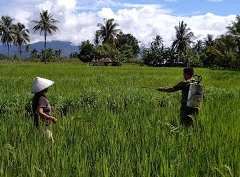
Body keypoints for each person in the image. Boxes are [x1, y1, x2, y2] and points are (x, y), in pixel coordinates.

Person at [32, 77, 58, 142]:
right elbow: (39, 112)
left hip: (38, 124)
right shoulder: (41, 99)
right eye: (46, 87)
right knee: (50, 143)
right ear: (42, 89)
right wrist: (51, 118)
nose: (47, 88)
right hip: (44, 125)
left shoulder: (36, 97)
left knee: (41, 142)